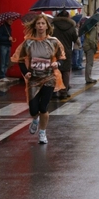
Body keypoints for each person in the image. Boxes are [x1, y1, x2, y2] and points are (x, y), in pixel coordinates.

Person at [14, 14, 66, 144]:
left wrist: (57, 64)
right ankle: (35, 120)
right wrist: (25, 72)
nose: (41, 26)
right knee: (33, 109)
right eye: (38, 24)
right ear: (35, 26)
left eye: (43, 23)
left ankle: (42, 132)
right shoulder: (28, 42)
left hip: (49, 77)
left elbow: (62, 59)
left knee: (43, 107)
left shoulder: (53, 42)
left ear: (47, 26)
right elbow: (20, 60)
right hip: (34, 80)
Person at [52, 10, 78, 99]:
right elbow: (75, 39)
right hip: (67, 51)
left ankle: (54, 92)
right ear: (68, 17)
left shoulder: (53, 25)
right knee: (66, 72)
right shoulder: (71, 26)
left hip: (55, 51)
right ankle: (64, 92)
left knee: (54, 71)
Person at [83, 17, 99, 84]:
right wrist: (94, 47)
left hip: (86, 46)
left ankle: (87, 77)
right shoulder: (93, 29)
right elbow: (91, 40)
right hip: (90, 47)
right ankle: (88, 78)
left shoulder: (88, 29)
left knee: (88, 62)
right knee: (89, 63)